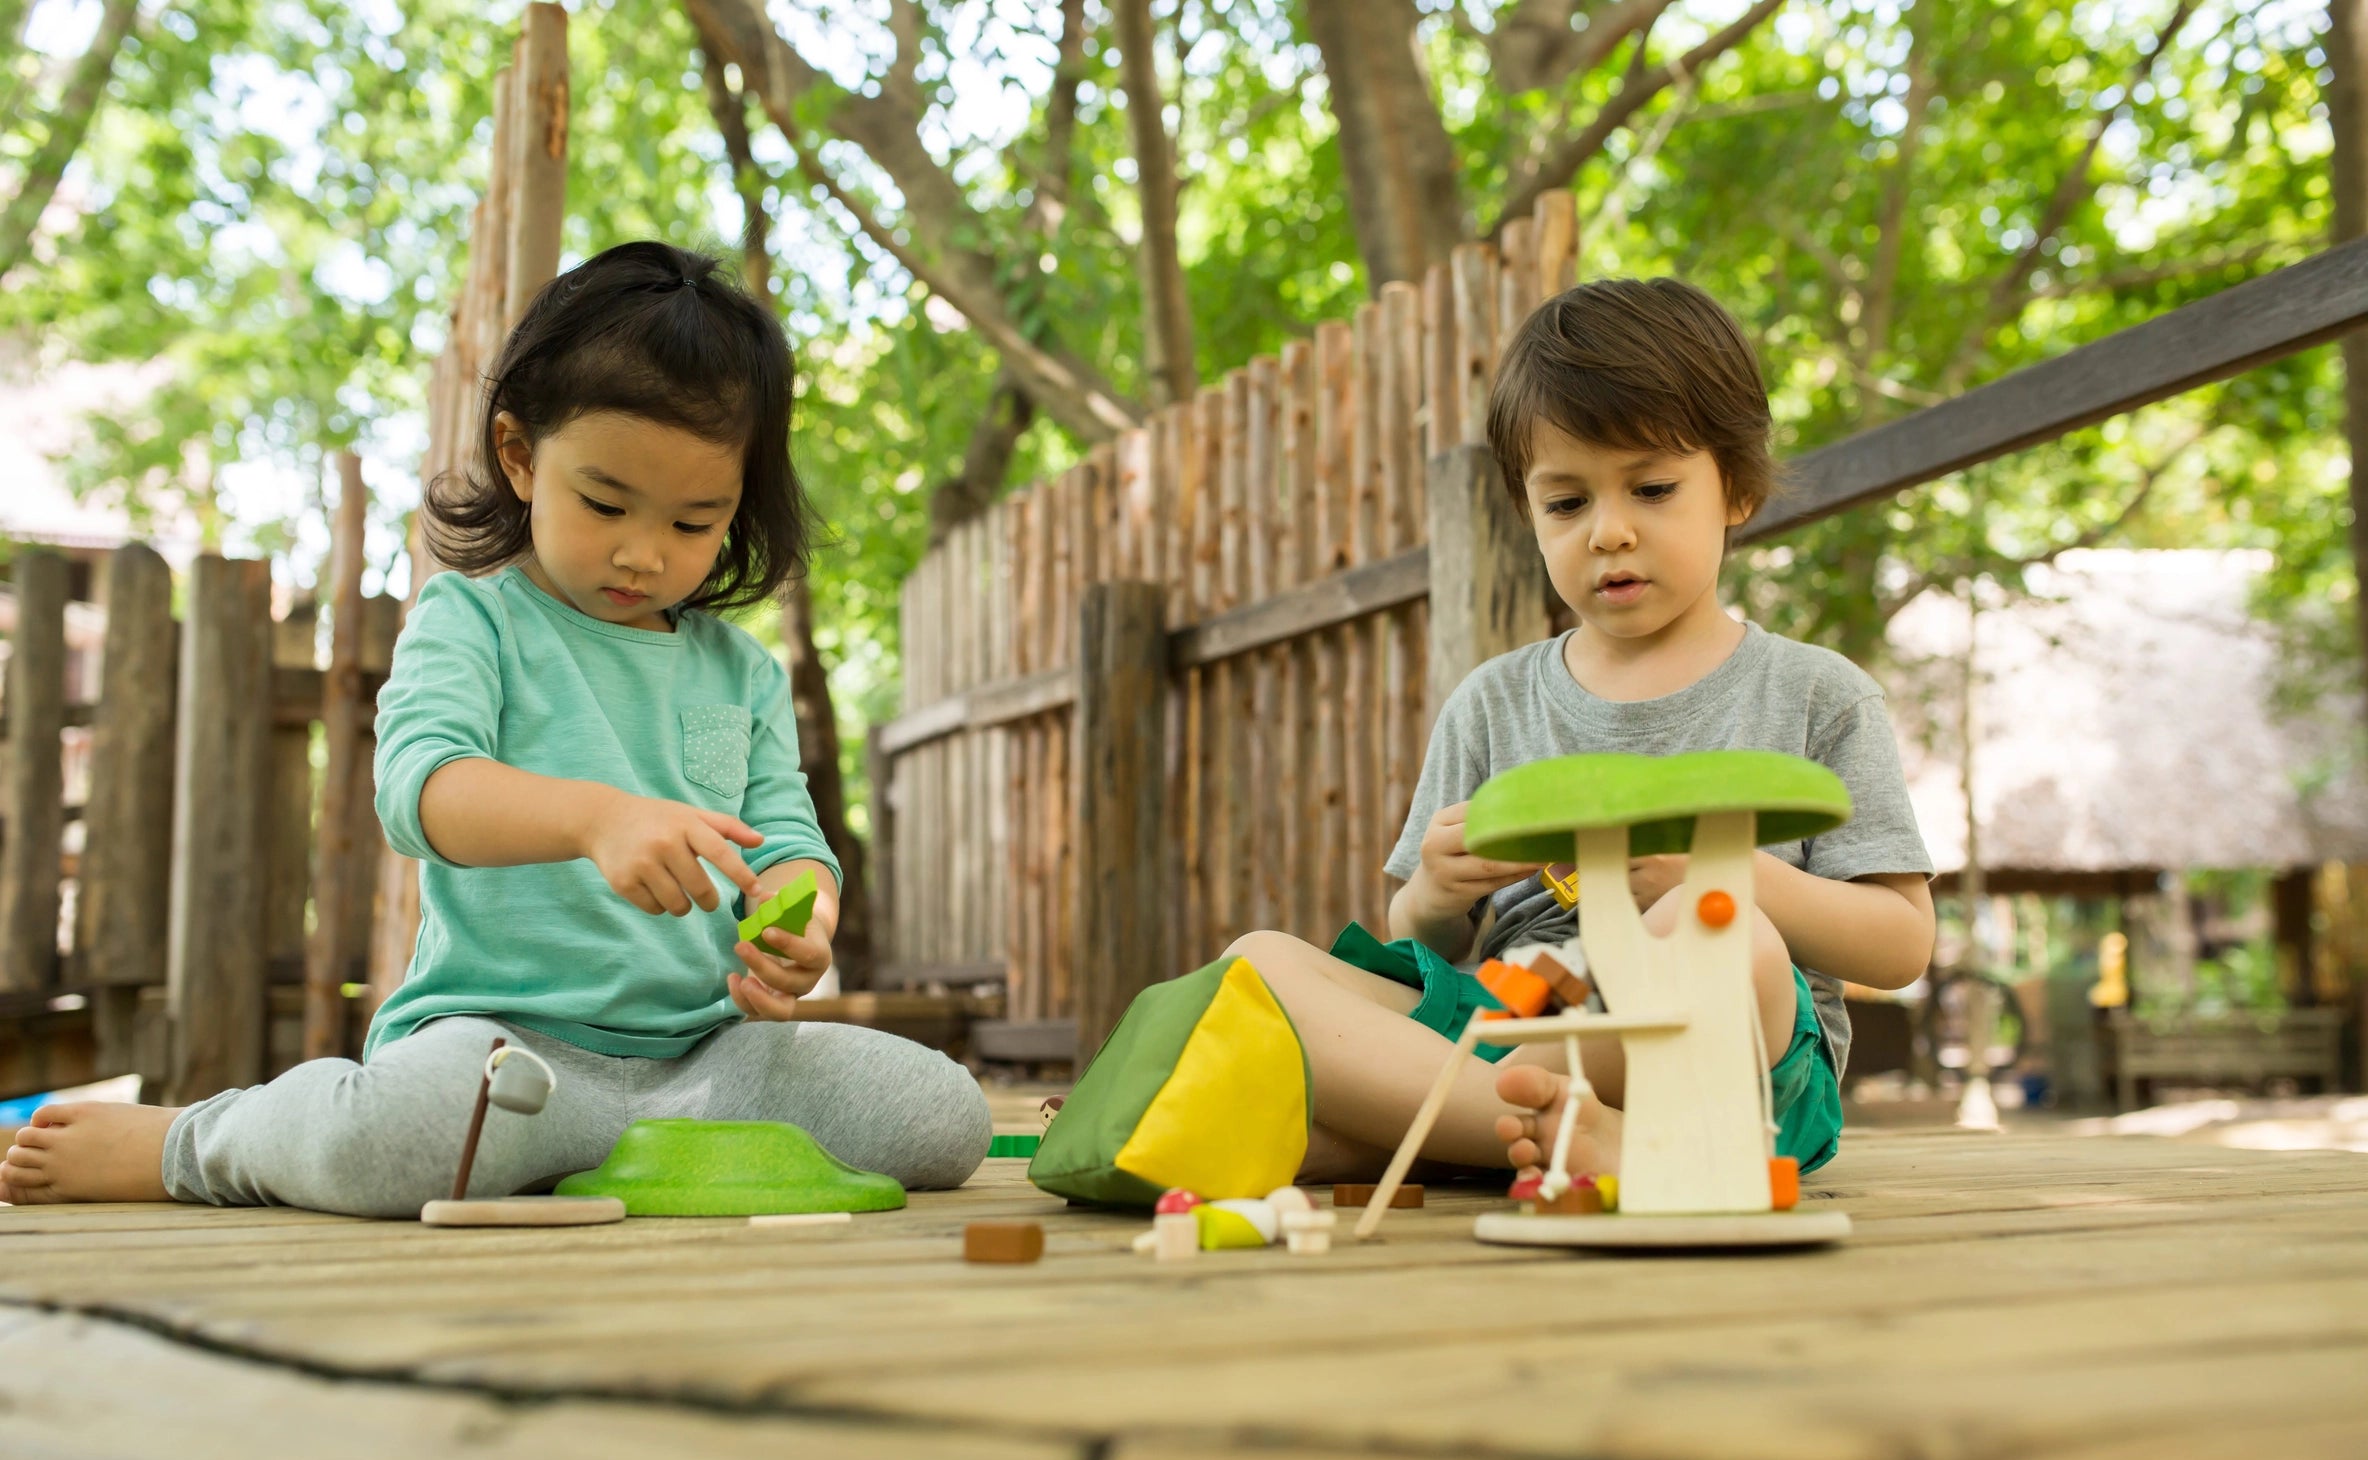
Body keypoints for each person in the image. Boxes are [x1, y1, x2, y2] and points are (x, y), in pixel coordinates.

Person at [1, 242, 989, 1213]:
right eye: (605, 501)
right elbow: (421, 788)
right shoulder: (473, 619)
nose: (644, 551)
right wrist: (595, 818)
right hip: (507, 1052)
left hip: (711, 1063)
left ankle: (584, 1158)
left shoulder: (743, 674)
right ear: (520, 456)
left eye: (694, 522)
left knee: (945, 1114)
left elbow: (788, 843)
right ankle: (191, 1140)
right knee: (387, 1144)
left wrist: (799, 918)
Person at [1226, 277, 1935, 1186]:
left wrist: (1719, 868)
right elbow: (1429, 944)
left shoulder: (1816, 697)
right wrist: (1436, 895)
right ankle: (1575, 1137)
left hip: (1738, 1062)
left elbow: (1901, 945)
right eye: (1567, 504)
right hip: (1517, 1019)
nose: (1609, 532)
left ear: (1738, 489)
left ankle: (1412, 1129)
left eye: (1652, 488)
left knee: (1717, 927)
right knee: (1259, 965)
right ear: (1527, 512)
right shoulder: (1491, 703)